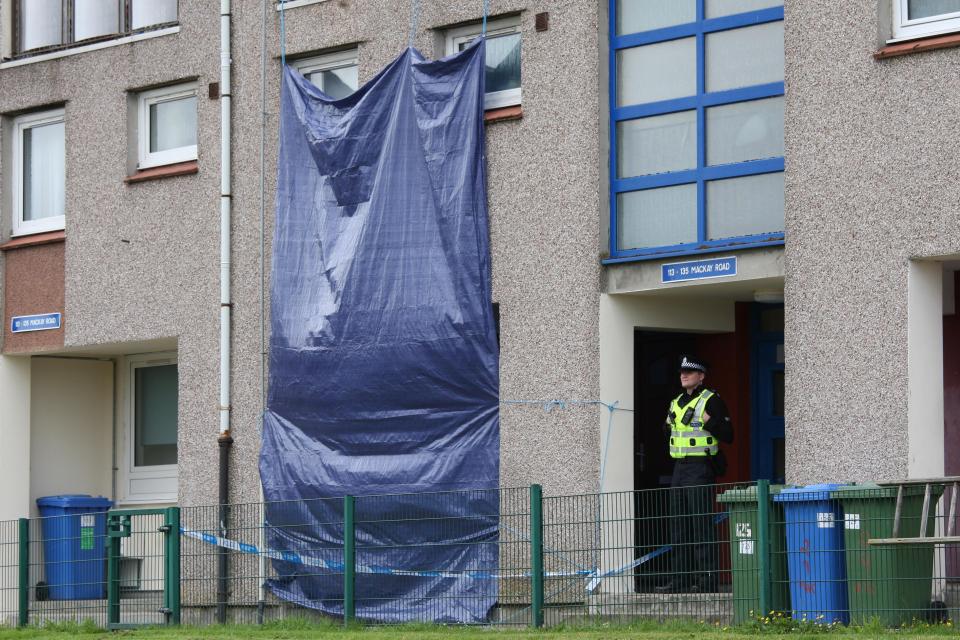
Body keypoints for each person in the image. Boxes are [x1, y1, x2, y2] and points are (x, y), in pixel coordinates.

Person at [656, 354, 733, 594]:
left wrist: (711, 422)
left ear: (701, 376)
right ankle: (679, 579)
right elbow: (668, 432)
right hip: (679, 468)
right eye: (681, 372)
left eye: (689, 372)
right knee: (678, 526)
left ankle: (707, 580)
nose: (683, 375)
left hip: (700, 468)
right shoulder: (675, 402)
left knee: (701, 525)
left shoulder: (711, 400)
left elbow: (729, 435)